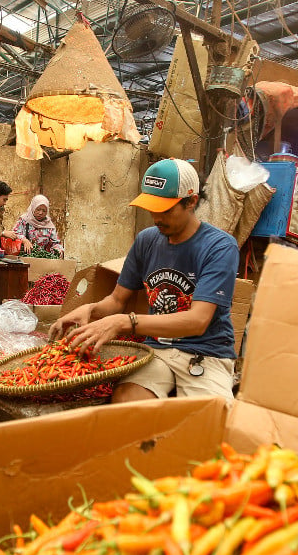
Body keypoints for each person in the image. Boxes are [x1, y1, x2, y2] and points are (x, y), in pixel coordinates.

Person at [50, 158, 239, 401]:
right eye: (152, 209)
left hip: (206, 353)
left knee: (205, 422)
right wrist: (91, 309)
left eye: (166, 210)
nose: (156, 218)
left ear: (191, 201)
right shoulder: (147, 241)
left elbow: (197, 321)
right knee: (126, 404)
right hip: (157, 350)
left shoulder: (219, 246)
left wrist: (124, 322)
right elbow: (117, 300)